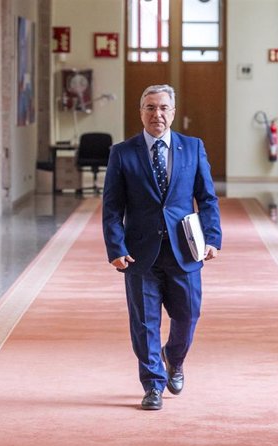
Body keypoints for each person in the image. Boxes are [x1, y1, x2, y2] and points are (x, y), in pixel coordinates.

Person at [102, 84, 222, 410]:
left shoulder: (193, 148)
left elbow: (207, 198)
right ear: (141, 112)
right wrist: (115, 247)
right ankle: (153, 384)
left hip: (185, 249)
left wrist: (212, 239)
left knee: (188, 315)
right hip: (140, 252)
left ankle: (175, 358)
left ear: (173, 110)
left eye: (163, 108)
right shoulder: (123, 153)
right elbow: (112, 208)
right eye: (150, 108)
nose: (157, 114)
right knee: (144, 322)